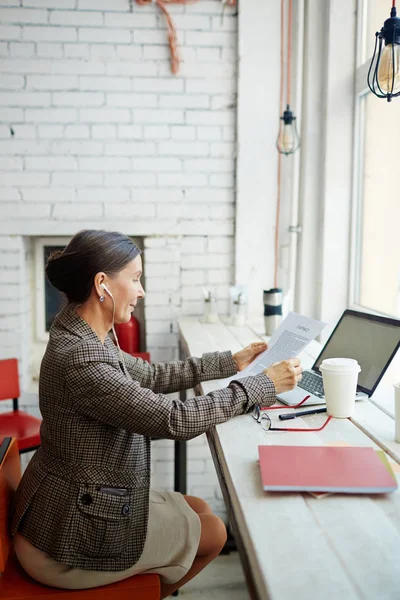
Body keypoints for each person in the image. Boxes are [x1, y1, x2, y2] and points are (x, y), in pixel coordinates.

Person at [11, 229, 302, 598]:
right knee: (214, 533)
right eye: (135, 279)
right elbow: (173, 420)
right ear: (102, 284)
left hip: (63, 506)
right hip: (61, 542)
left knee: (198, 508)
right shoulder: (82, 358)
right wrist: (261, 386)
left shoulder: (82, 331)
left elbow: (150, 376)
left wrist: (232, 360)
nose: (141, 291)